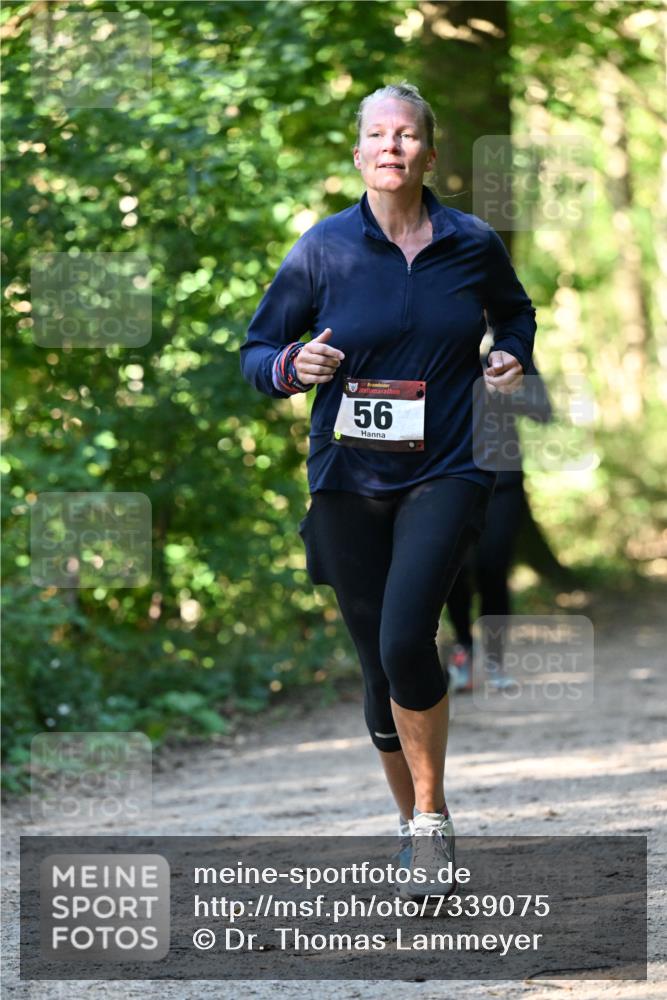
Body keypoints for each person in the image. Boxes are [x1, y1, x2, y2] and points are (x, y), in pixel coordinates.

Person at [239, 82, 536, 898]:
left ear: (428, 155)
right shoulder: (322, 250)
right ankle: (414, 831)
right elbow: (258, 350)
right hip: (347, 482)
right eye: (377, 134)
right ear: (360, 152)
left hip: (445, 469)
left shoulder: (470, 243)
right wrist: (288, 367)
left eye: (406, 135)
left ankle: (432, 819)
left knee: (410, 637)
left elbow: (515, 314)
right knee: (377, 666)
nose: (391, 147)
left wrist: (509, 353)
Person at [446, 361, 553, 693]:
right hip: (448, 478)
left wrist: (507, 391)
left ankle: (495, 662)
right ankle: (464, 648)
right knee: (454, 571)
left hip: (502, 481)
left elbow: (543, 411)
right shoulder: (440, 334)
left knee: (493, 569)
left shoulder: (510, 349)